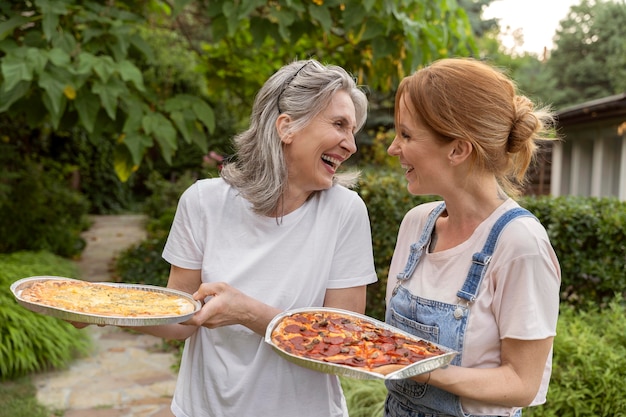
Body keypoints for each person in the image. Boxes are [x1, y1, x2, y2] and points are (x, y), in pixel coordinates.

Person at [121, 60, 376, 416]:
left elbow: (343, 343)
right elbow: (182, 320)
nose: (350, 145)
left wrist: (247, 312)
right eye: (339, 124)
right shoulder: (202, 201)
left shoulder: (344, 212)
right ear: (287, 127)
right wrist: (106, 311)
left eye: (352, 130)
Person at [383, 58, 561, 417]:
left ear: (458, 149)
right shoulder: (416, 225)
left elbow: (522, 384)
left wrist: (424, 368)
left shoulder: (520, 244)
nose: (392, 148)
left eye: (406, 135)